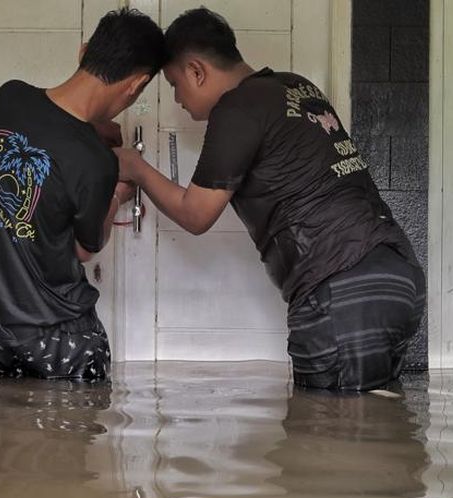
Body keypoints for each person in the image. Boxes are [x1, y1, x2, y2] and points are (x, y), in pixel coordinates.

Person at [115, 8, 425, 392]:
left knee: (329, 433)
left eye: (175, 83)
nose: (177, 98)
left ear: (197, 71)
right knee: (375, 426)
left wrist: (136, 167)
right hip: (396, 274)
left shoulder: (237, 108)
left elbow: (196, 214)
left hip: (341, 288)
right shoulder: (296, 86)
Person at [0, 9, 165, 382]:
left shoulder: (8, 98)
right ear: (135, 85)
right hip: (64, 341)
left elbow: (53, 129)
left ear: (83, 52)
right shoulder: (96, 163)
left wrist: (90, 130)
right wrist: (117, 195)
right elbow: (83, 249)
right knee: (73, 438)